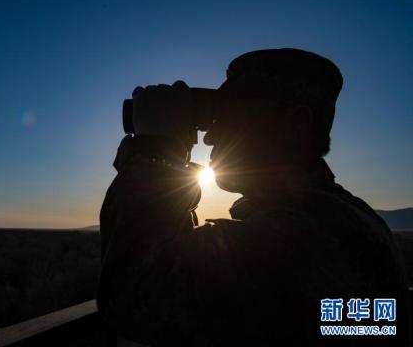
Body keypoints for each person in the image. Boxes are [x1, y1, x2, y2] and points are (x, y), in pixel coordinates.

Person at [97, 48, 411, 346]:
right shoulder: (337, 215)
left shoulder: (312, 234)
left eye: (232, 115)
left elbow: (134, 298)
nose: (210, 135)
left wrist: (156, 154)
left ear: (294, 124)